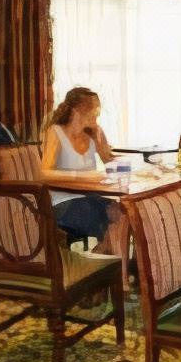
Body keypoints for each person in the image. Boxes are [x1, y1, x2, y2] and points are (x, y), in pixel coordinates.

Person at [41, 87, 125, 255]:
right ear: (77, 111)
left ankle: (110, 259)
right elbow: (44, 173)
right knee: (97, 214)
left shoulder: (96, 131)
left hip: (89, 197)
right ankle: (103, 259)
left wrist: (133, 165)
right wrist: (80, 175)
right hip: (62, 202)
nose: (98, 113)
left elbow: (110, 160)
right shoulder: (56, 132)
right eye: (95, 109)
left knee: (123, 211)